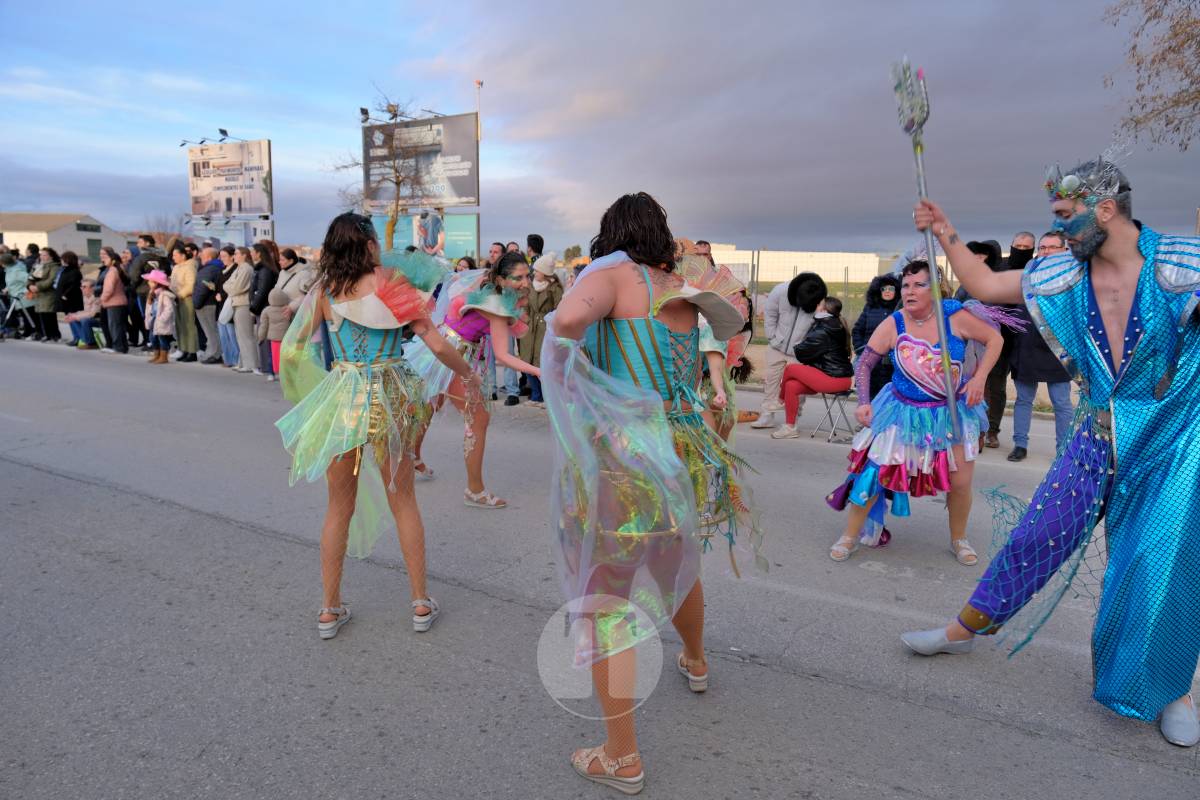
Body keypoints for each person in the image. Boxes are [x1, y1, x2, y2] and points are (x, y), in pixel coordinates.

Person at [903, 159, 1200, 748]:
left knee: (1158, 566)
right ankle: (963, 630)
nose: (1059, 229)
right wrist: (946, 233)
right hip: (1093, 434)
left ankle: (1176, 692)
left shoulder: (1182, 266)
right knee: (1037, 536)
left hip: (1169, 441)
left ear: (1106, 210)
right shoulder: (1062, 273)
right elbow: (987, 286)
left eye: (1066, 216)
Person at [544, 192, 760, 794]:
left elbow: (564, 323)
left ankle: (621, 756)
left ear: (611, 234)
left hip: (627, 451)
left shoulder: (613, 277)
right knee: (678, 562)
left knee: (606, 595)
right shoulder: (682, 289)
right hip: (683, 444)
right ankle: (695, 661)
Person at [275, 212, 481, 639]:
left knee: (338, 506)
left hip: (344, 396)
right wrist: (470, 375)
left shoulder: (327, 290)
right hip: (393, 397)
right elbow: (437, 343)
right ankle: (420, 603)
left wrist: (317, 392)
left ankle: (329, 609)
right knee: (402, 499)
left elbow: (293, 349)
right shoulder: (393, 283)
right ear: (370, 244)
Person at [826, 260, 1002, 564]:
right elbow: (865, 363)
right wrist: (864, 401)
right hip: (901, 411)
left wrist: (979, 377)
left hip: (951, 414)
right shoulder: (895, 323)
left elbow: (995, 339)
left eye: (919, 285)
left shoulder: (955, 318)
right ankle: (849, 535)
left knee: (960, 482)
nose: (909, 291)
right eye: (906, 285)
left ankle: (959, 539)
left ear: (935, 289)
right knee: (874, 473)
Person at [407, 251, 541, 506]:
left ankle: (412, 456)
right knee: (478, 417)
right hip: (450, 356)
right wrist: (538, 371)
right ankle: (474, 490)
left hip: (443, 347)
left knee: (430, 404)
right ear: (501, 279)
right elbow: (504, 354)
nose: (526, 282)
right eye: (518, 277)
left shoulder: (484, 284)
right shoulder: (495, 306)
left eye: (528, 276)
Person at [1007, 231, 1075, 461]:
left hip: (1058, 349)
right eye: (1043, 247)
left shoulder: (1074, 275)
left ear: (1065, 250)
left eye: (1051, 247)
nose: (1045, 252)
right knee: (1024, 399)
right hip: (1027, 345)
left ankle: (1063, 449)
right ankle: (1020, 445)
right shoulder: (1028, 273)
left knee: (1062, 403)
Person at [750, 272, 828, 429]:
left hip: (801, 352)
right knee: (771, 381)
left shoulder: (819, 297)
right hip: (776, 346)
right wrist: (772, 338)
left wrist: (807, 347)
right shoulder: (779, 291)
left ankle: (792, 419)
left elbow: (821, 326)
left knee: (797, 386)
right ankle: (767, 415)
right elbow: (770, 315)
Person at [771, 297, 855, 439]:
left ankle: (780, 400)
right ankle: (790, 427)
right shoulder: (833, 325)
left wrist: (798, 345)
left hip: (834, 379)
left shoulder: (824, 330)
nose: (816, 306)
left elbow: (801, 353)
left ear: (824, 310)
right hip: (833, 376)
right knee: (792, 385)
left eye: (819, 304)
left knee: (790, 369)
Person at [517, 251, 562, 406]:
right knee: (527, 362)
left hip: (545, 329)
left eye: (537, 270)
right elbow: (525, 305)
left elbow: (559, 309)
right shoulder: (529, 286)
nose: (534, 272)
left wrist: (551, 324)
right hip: (529, 329)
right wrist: (525, 320)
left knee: (543, 363)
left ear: (545, 272)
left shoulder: (555, 288)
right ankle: (536, 395)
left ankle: (546, 397)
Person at [852, 274, 901, 400]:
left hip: (891, 363)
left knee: (888, 398)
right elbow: (857, 330)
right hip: (871, 360)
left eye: (891, 288)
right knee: (869, 397)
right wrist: (860, 349)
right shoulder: (870, 308)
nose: (887, 292)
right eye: (884, 289)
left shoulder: (899, 310)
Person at [250, 242, 280, 378]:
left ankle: (269, 368)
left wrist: (253, 307)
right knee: (264, 337)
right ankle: (267, 367)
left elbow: (261, 291)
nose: (251, 254)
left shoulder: (265, 270)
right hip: (262, 307)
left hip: (263, 308)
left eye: (253, 251)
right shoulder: (262, 269)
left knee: (265, 337)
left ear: (259, 254)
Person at [226, 247, 259, 373]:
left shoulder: (246, 268)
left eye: (236, 254)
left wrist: (231, 287)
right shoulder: (239, 268)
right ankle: (244, 362)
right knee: (240, 335)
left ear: (244, 255)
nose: (234, 256)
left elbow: (236, 288)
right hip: (237, 303)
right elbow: (227, 284)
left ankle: (251, 364)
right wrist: (231, 287)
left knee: (246, 335)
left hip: (243, 303)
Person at [168, 242, 198, 362]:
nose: (173, 257)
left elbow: (191, 285)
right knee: (180, 326)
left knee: (189, 326)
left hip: (186, 299)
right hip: (176, 299)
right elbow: (173, 283)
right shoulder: (176, 267)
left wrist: (179, 295)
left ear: (183, 256)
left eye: (175, 255)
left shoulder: (189, 267)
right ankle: (183, 349)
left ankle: (192, 351)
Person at [193, 247, 224, 364]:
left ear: (209, 257)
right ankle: (213, 353)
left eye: (203, 255)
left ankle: (214, 354)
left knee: (210, 331)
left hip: (205, 304)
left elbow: (202, 287)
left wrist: (196, 303)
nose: (200, 256)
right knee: (212, 330)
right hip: (209, 303)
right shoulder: (216, 267)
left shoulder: (209, 269)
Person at [97, 247, 129, 354]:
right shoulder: (118, 269)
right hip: (119, 302)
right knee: (119, 326)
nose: (103, 259)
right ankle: (122, 347)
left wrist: (102, 299)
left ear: (112, 260)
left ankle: (118, 347)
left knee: (115, 326)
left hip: (114, 303)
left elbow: (108, 289)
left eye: (106, 257)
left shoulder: (112, 271)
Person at [29, 248, 63, 341]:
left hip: (49, 294)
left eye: (44, 255)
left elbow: (51, 280)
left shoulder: (54, 267)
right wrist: (30, 286)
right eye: (41, 255)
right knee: (42, 315)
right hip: (38, 295)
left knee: (49, 315)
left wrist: (38, 286)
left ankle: (54, 335)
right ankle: (47, 334)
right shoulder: (38, 266)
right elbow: (30, 277)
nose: (42, 257)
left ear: (51, 256)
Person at [257, 289, 290, 382]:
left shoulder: (267, 311)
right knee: (284, 356)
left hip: (272, 338)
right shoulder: (287, 309)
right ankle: (284, 374)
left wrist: (260, 337)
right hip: (285, 337)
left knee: (271, 355)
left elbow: (263, 326)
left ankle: (271, 373)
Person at [214, 245, 240, 368]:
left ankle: (235, 359)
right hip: (220, 306)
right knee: (223, 335)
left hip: (230, 305)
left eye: (224, 256)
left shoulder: (236, 269)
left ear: (232, 256)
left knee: (231, 335)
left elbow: (234, 287)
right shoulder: (222, 270)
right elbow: (219, 286)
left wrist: (222, 296)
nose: (222, 258)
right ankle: (228, 360)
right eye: (221, 256)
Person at [143, 269, 176, 364]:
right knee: (152, 337)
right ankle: (156, 354)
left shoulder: (164, 294)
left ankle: (163, 356)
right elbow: (149, 306)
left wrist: (162, 319)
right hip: (153, 318)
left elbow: (169, 309)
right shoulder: (152, 293)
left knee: (162, 338)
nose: (148, 282)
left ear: (157, 283)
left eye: (151, 281)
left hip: (160, 320)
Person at [2, 252, 35, 338]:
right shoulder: (9, 270)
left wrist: (24, 292)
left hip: (23, 297)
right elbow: (12, 282)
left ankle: (31, 332)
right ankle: (26, 332)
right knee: (24, 316)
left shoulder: (17, 271)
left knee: (28, 316)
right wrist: (6, 289)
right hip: (16, 297)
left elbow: (28, 280)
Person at [55, 251, 84, 345]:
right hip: (65, 299)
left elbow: (73, 285)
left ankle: (80, 338)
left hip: (71, 299)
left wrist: (65, 295)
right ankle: (76, 337)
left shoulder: (74, 271)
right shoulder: (65, 270)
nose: (61, 261)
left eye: (63, 259)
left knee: (73, 318)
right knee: (69, 318)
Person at [65, 277, 101, 348]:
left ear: (92, 288)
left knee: (84, 320)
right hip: (90, 318)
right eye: (81, 286)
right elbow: (84, 311)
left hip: (99, 320)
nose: (81, 288)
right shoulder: (85, 297)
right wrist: (74, 315)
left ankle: (91, 343)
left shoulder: (97, 297)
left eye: (84, 287)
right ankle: (78, 339)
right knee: (72, 318)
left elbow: (93, 314)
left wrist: (77, 316)